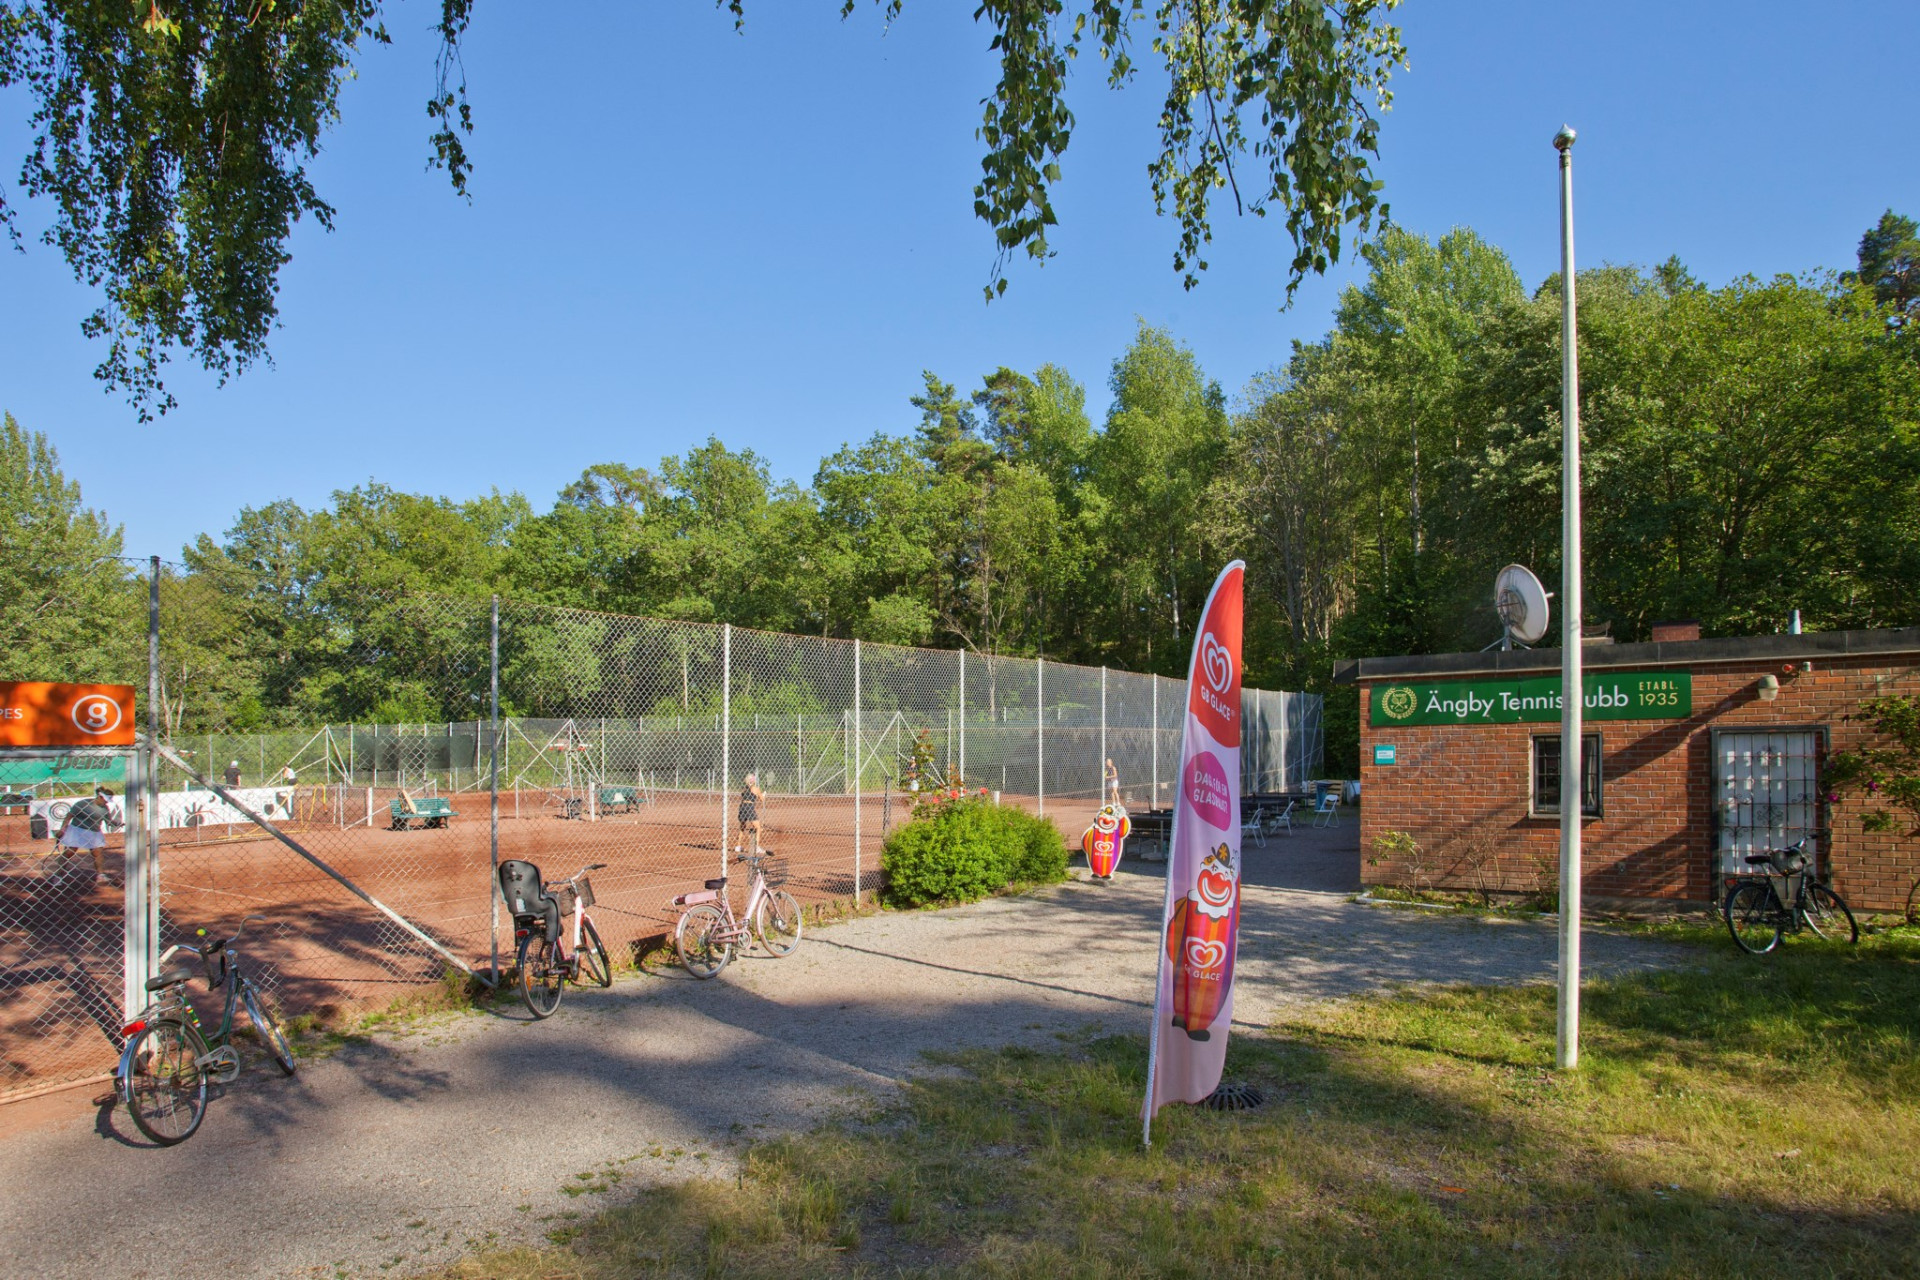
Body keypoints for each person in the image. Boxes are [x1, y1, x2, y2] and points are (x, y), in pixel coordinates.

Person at [53, 786, 115, 884]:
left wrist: (116, 823)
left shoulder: (105, 809)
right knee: (69, 853)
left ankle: (101, 875)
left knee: (98, 853)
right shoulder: (83, 804)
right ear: (100, 797)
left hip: (94, 832)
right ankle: (58, 876)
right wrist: (63, 829)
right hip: (77, 830)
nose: (106, 803)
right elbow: (69, 816)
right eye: (105, 800)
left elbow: (109, 822)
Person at [734, 772, 764, 855]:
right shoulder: (756, 789)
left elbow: (746, 796)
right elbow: (762, 799)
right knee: (758, 827)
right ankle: (756, 847)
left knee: (742, 827)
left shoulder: (744, 789)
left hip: (742, 807)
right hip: (749, 807)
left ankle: (738, 846)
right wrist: (763, 795)